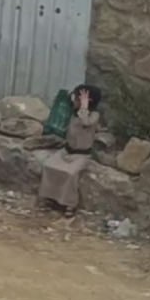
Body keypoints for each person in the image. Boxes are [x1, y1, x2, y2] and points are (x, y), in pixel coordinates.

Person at [38, 85, 101, 216]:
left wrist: (84, 108)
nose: (75, 101)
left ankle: (69, 204)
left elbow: (86, 123)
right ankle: (50, 197)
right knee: (49, 166)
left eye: (78, 99)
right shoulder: (72, 112)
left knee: (71, 174)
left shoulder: (94, 115)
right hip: (66, 151)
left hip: (81, 155)